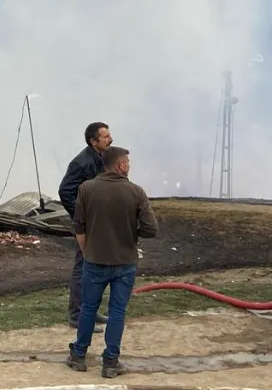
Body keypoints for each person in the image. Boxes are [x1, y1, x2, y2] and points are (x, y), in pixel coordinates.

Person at [66, 146, 159, 379]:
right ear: (120, 165)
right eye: (127, 161)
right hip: (125, 262)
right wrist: (131, 232)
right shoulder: (136, 192)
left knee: (88, 307)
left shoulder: (86, 189)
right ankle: (110, 362)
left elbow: (79, 226)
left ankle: (78, 356)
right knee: (117, 311)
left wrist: (88, 251)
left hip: (94, 260)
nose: (129, 165)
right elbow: (151, 229)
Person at [58, 122, 113, 329]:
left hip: (99, 223)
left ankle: (90, 310)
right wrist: (82, 217)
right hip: (88, 224)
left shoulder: (102, 159)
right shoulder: (82, 162)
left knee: (96, 268)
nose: (110, 139)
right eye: (106, 136)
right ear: (93, 141)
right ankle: (77, 315)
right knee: (83, 267)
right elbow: (65, 191)